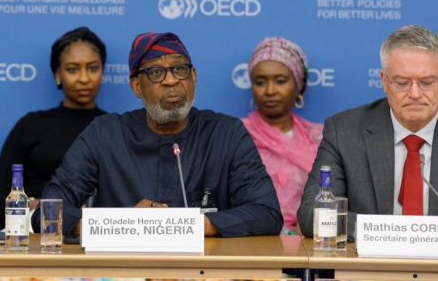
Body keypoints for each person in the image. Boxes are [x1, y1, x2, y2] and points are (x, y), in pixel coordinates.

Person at [297, 25, 438, 248]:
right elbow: (311, 215)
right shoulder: (345, 132)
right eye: (402, 82)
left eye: (427, 82)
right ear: (384, 81)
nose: (415, 94)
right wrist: (392, 233)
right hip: (370, 267)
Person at [42, 32, 282, 237]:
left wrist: (188, 225)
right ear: (137, 86)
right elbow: (48, 212)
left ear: (193, 77)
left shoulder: (226, 134)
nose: (171, 80)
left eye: (179, 69)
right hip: (124, 268)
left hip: (203, 269)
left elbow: (267, 213)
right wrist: (123, 224)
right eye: (156, 72)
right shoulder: (105, 135)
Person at [0, 26, 107, 228]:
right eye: (72, 69)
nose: (84, 78)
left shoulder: (114, 128)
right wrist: (35, 207)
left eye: (92, 68)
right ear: (57, 74)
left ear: (102, 71)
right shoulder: (32, 125)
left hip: (99, 232)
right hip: (34, 232)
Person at [242, 37, 322, 234]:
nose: (270, 91)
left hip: (311, 240)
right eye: (260, 82)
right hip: (254, 240)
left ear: (298, 85)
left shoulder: (320, 137)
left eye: (280, 81)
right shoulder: (237, 136)